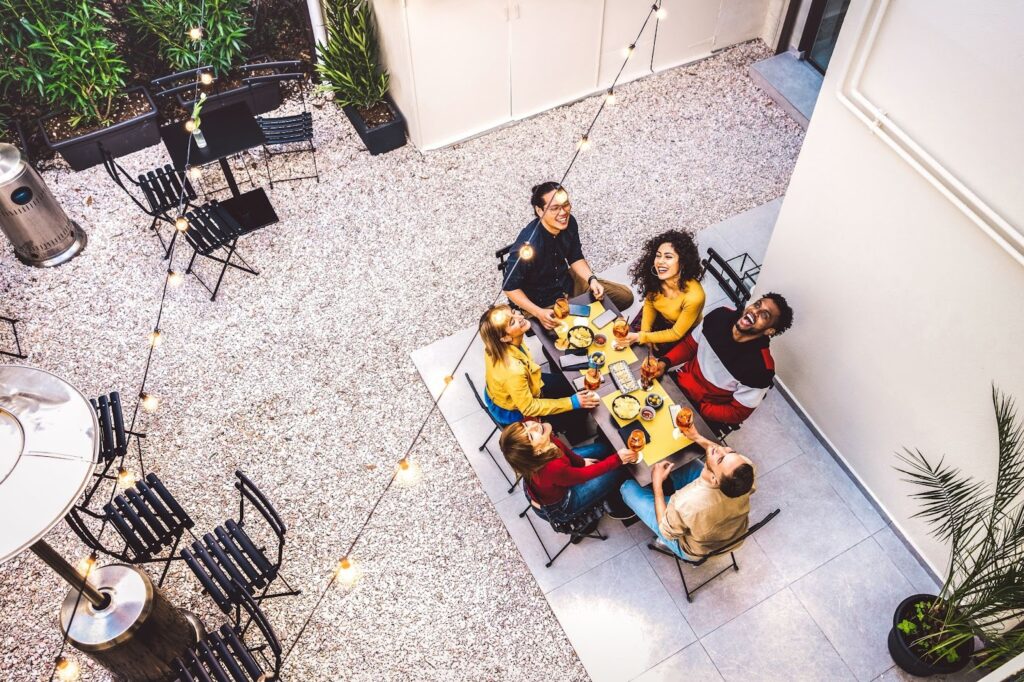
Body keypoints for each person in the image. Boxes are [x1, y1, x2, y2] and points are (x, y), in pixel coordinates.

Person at [502, 182, 635, 329]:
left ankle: (583, 307)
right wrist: (538, 312)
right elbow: (510, 287)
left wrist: (592, 280)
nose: (563, 213)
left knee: (625, 297)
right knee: (572, 329)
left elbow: (575, 256)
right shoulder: (528, 245)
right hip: (542, 302)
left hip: (568, 284)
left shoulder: (570, 222)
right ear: (539, 211)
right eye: (554, 208)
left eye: (565, 205)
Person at [653, 293, 794, 428]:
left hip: (702, 411)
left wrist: (700, 410)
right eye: (757, 305)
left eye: (764, 315)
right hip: (679, 381)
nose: (755, 312)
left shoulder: (761, 370)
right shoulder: (719, 316)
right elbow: (690, 345)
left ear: (769, 331)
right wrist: (665, 362)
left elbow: (738, 412)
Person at [619, 420, 756, 558]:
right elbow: (719, 452)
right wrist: (697, 437)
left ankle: (668, 545)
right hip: (729, 532)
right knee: (676, 457)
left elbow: (664, 529)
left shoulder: (685, 503)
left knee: (627, 488)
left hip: (696, 548)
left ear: (715, 479)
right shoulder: (745, 469)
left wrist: (657, 484)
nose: (721, 448)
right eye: (730, 451)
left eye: (720, 460)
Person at [481, 304, 598, 441]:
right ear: (505, 338)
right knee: (579, 406)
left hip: (521, 386)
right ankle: (576, 435)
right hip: (515, 410)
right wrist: (572, 402)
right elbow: (529, 408)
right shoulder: (514, 371)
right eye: (512, 322)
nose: (520, 317)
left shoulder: (495, 347)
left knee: (571, 384)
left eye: (514, 312)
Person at [500, 420, 638, 522]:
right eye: (530, 436)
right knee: (619, 469)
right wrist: (618, 459)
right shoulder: (552, 468)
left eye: (525, 425)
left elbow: (562, 448)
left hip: (549, 486)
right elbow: (582, 476)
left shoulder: (543, 437)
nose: (533, 426)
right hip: (560, 506)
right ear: (536, 452)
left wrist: (581, 462)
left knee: (604, 448)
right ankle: (619, 505)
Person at [623, 230, 706, 355]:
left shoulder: (695, 297)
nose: (660, 261)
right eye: (658, 255)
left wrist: (643, 337)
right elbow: (650, 303)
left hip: (679, 330)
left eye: (668, 257)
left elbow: (676, 333)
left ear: (682, 262)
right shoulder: (657, 277)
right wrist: (644, 333)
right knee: (630, 334)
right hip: (660, 315)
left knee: (651, 354)